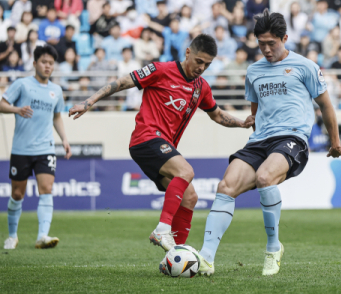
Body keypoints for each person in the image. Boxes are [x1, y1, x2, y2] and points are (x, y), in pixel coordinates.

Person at [68, 34, 254, 253]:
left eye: (207, 64)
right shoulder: (160, 70)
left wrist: (243, 123)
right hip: (145, 139)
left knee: (190, 197)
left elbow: (217, 115)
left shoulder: (201, 87)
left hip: (162, 146)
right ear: (188, 53)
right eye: (199, 61)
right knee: (185, 171)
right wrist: (89, 102)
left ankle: (177, 256)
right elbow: (121, 82)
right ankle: (162, 229)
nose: (202, 67)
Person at [196, 9, 341, 276]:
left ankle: (273, 248)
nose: (265, 49)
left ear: (285, 38)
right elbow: (256, 110)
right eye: (260, 43)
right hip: (260, 140)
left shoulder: (306, 66)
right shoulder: (253, 71)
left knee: (266, 177)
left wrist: (335, 143)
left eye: (271, 43)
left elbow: (326, 106)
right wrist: (249, 120)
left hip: (292, 137)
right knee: (225, 186)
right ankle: (206, 258)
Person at [1, 45, 72, 250]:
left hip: (46, 148)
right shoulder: (22, 85)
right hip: (21, 149)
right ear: (34, 64)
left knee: (47, 189)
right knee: (17, 194)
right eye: (44, 62)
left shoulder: (56, 90)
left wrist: (64, 140)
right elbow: (1, 104)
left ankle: (42, 236)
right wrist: (17, 109)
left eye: (51, 63)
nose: (47, 66)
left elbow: (57, 116)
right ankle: (12, 236)